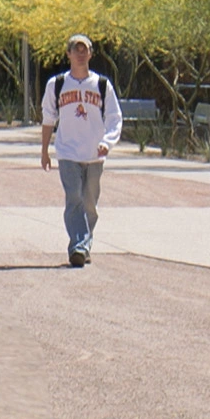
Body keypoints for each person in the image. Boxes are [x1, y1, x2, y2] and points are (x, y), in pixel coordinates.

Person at [39, 34, 123, 268]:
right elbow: (48, 118)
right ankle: (78, 246)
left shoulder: (101, 85)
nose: (80, 53)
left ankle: (84, 243)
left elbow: (115, 118)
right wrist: (44, 150)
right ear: (68, 54)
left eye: (84, 49)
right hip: (67, 153)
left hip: (95, 154)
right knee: (74, 198)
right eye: (75, 50)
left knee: (89, 204)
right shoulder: (56, 85)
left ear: (90, 53)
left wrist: (108, 141)